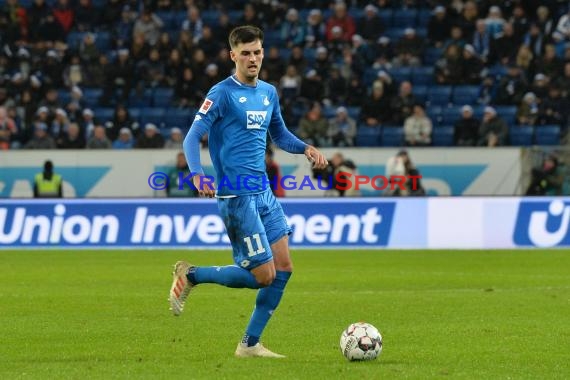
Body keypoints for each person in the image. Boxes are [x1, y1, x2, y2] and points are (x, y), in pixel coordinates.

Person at [170, 26, 328, 358]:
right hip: (236, 197)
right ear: (233, 56)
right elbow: (191, 137)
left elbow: (280, 135)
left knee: (284, 268)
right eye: (245, 53)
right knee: (263, 275)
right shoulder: (222, 93)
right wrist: (197, 175)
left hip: (263, 193)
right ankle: (193, 275)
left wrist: (306, 148)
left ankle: (250, 345)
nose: (253, 58)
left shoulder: (269, 92)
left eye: (257, 52)